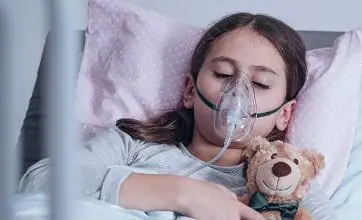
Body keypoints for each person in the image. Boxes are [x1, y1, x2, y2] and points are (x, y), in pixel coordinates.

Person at [18, 12, 336, 220]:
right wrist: (182, 193)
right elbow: (40, 179)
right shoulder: (132, 146)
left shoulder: (287, 184)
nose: (238, 93)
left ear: (284, 114)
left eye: (260, 83)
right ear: (189, 90)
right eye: (224, 74)